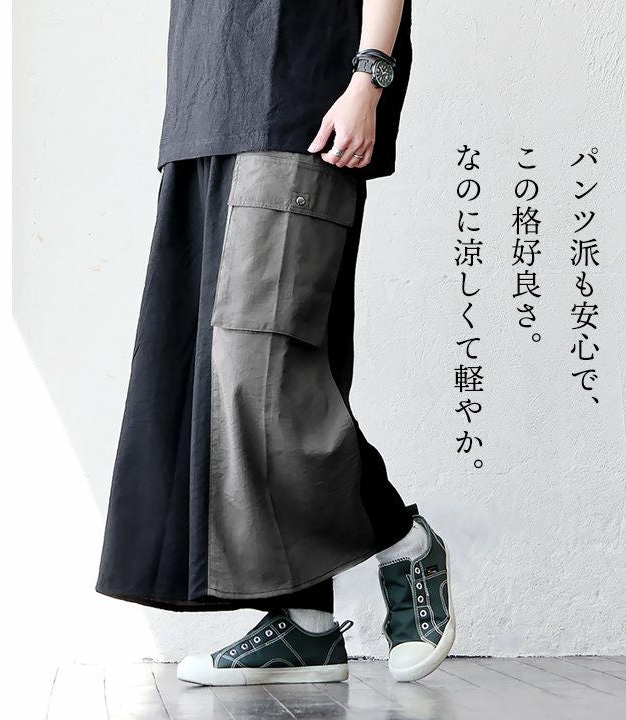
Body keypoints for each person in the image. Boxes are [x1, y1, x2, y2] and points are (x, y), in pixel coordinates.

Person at [95, 0, 454, 685]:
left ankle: (401, 540)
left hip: (301, 110)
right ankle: (304, 623)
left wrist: (369, 78)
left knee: (257, 370)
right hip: (206, 111)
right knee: (208, 380)